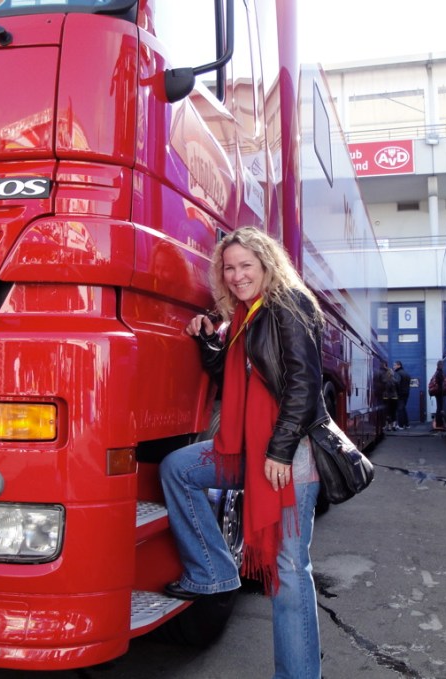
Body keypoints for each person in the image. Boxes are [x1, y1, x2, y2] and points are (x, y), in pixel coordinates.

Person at [160, 227, 324, 679]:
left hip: (289, 454)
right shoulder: (244, 316)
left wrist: (280, 451)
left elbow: (304, 385)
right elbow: (232, 380)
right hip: (249, 450)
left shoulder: (291, 305)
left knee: (289, 569)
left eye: (245, 265)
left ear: (267, 264)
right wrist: (209, 340)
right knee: (178, 468)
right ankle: (213, 572)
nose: (236, 276)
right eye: (228, 268)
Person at [430, 360, 446, 430]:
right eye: (442, 365)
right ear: (440, 365)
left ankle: (439, 423)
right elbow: (441, 384)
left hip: (437, 392)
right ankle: (439, 423)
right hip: (440, 393)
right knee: (440, 408)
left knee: (439, 407)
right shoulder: (440, 373)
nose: (443, 366)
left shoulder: (437, 372)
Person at [380, 362, 398, 431]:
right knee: (394, 411)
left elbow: (382, 389)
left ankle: (389, 426)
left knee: (388, 412)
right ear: (392, 373)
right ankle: (394, 425)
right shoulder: (395, 381)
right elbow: (398, 389)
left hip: (386, 397)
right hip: (394, 397)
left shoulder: (384, 381)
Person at [393, 360, 411, 429]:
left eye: (394, 365)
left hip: (400, 393)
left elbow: (397, 383)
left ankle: (400, 425)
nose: (393, 367)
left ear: (399, 365)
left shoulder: (397, 373)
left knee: (399, 409)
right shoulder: (406, 373)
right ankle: (406, 424)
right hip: (406, 393)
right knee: (403, 408)